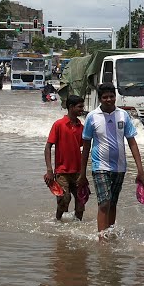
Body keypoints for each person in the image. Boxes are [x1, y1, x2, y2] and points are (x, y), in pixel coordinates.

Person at [81, 83, 144, 239]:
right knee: (104, 202)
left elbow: (132, 142)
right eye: (105, 97)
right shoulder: (92, 117)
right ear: (100, 99)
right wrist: (82, 174)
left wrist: (140, 170)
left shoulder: (123, 115)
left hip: (119, 167)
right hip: (99, 166)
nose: (109, 100)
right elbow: (85, 147)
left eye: (111, 96)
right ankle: (101, 239)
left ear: (115, 96)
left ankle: (109, 233)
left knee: (112, 203)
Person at [44, 94, 88, 222]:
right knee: (64, 199)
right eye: (80, 107)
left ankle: (77, 227)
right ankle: (57, 222)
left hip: (78, 171)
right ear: (71, 107)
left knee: (81, 200)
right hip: (62, 171)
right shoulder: (58, 124)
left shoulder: (81, 127)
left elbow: (84, 148)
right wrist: (49, 170)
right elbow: (48, 147)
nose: (82, 109)